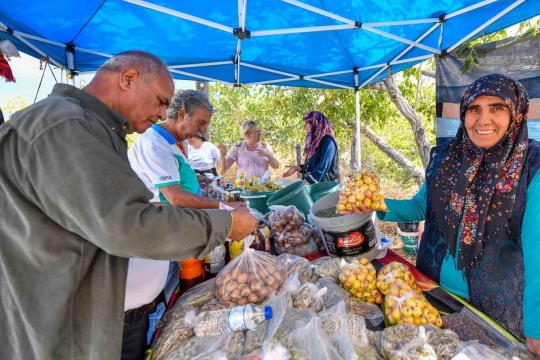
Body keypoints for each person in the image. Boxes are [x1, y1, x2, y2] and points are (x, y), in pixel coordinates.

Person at [0, 50, 258, 360]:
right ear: (128, 78)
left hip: (100, 315)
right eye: (161, 101)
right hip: (65, 330)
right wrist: (225, 223)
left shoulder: (92, 128)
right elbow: (128, 225)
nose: (164, 114)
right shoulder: (66, 125)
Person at [378, 74, 540, 360]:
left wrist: (539, 334)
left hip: (493, 305)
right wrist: (373, 204)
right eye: (474, 109)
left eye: (496, 108)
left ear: (515, 113)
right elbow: (419, 208)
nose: (483, 120)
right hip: (432, 288)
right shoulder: (447, 156)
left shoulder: (532, 164)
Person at [125, 89, 244, 360]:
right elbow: (175, 197)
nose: (203, 129)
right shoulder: (153, 143)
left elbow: (182, 184)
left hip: (169, 235)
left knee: (167, 294)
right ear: (181, 115)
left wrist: (205, 188)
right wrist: (225, 208)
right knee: (158, 308)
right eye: (200, 122)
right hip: (154, 240)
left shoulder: (175, 143)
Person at [283, 111, 340, 183]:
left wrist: (306, 182)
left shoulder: (328, 141)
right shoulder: (316, 142)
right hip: (318, 187)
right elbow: (313, 164)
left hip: (327, 188)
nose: (305, 126)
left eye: (307, 122)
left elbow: (323, 167)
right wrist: (297, 168)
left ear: (314, 123)